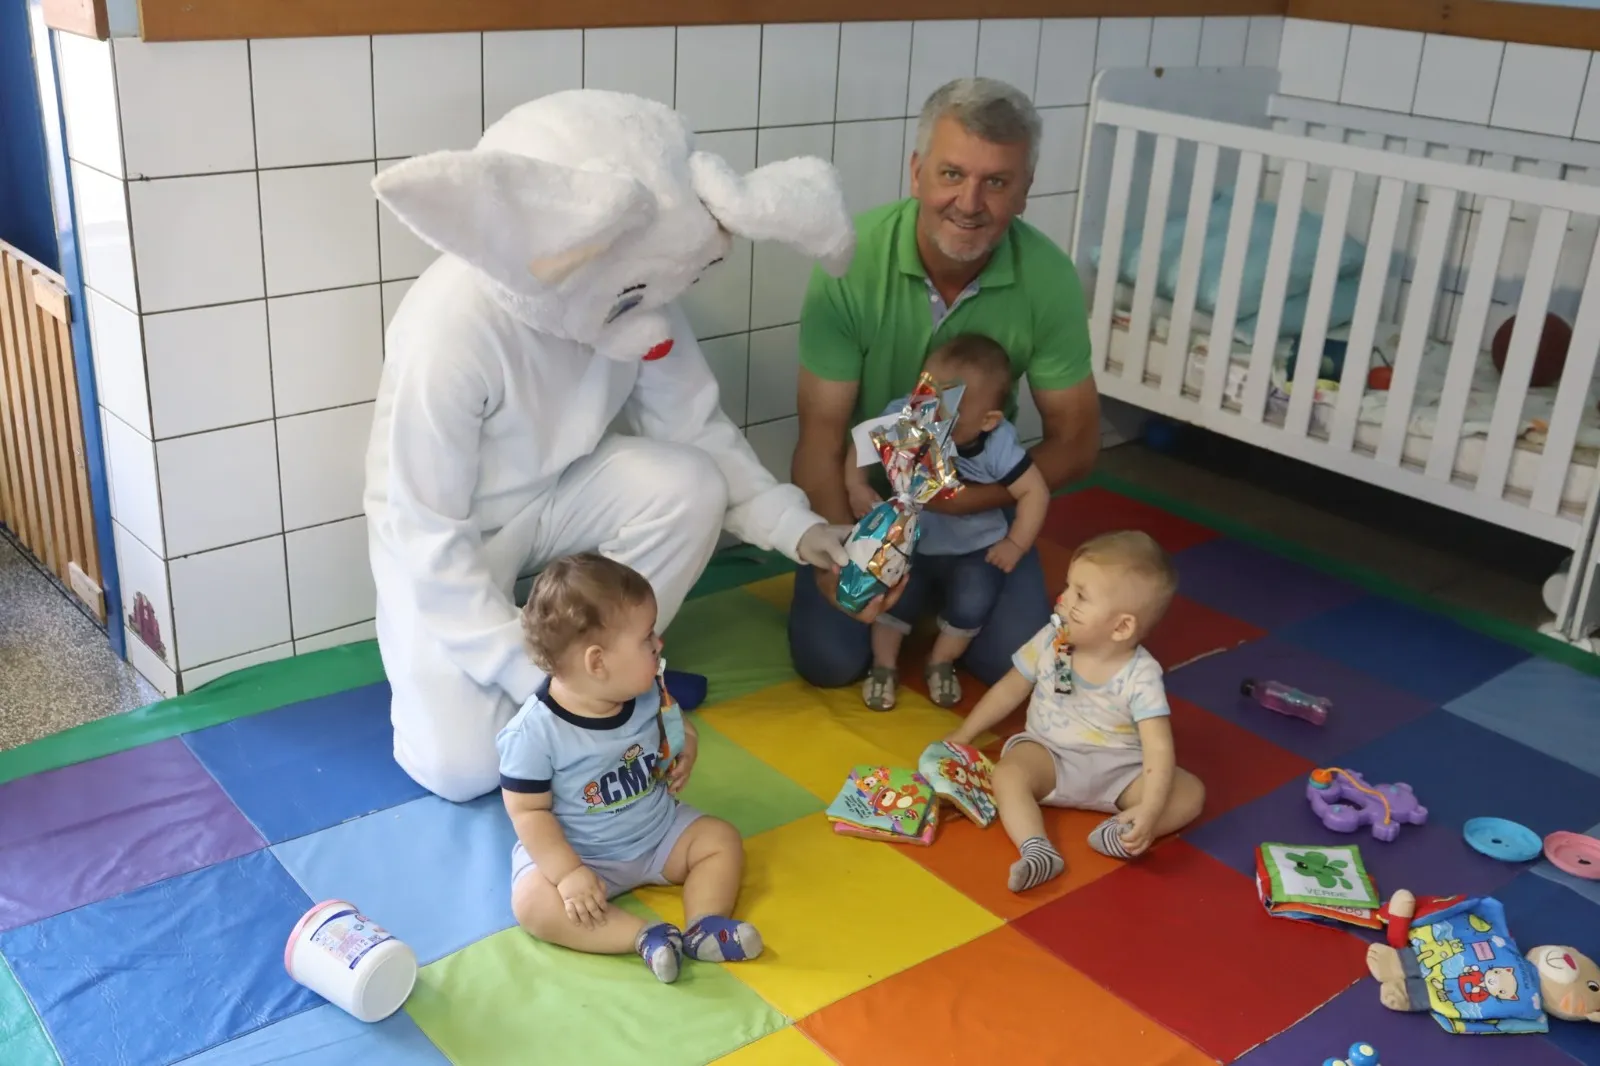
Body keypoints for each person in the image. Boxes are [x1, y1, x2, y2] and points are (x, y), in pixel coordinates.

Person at [365, 89, 858, 803]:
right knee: (465, 772)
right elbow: (427, 534)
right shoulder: (450, 332)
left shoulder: (637, 293)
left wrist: (804, 530)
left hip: (557, 501)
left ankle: (608, 667)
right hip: (456, 538)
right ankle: (579, 674)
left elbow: (695, 428)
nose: (655, 314)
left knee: (690, 483)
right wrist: (544, 687)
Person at [789, 76, 1102, 690]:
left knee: (1007, 663)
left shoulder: (1049, 277)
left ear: (1025, 192)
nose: (969, 202)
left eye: (996, 182)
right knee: (828, 662)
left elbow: (1078, 442)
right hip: (870, 513)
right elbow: (821, 439)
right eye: (952, 175)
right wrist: (835, 554)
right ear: (916, 173)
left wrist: (970, 501)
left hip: (978, 521)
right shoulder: (850, 262)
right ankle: (916, 595)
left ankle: (941, 594)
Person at [497, 553, 762, 983]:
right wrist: (567, 874)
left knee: (720, 839)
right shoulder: (534, 733)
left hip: (657, 834)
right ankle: (644, 936)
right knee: (531, 904)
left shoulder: (645, 690)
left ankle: (704, 926)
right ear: (597, 663)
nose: (659, 644)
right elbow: (528, 812)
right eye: (646, 638)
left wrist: (686, 746)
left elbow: (676, 722)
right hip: (582, 855)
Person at [945, 531, 1205, 893]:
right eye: (1069, 586)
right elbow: (1010, 687)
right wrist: (964, 735)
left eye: (1081, 595)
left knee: (1190, 793)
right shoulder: (1051, 640)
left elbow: (1159, 749)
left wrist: (1150, 810)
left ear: (1122, 626)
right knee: (1007, 774)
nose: (1063, 598)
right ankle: (1036, 850)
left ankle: (1125, 831)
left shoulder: (1141, 674)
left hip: (1121, 773)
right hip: (1049, 756)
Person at [849, 333, 1049, 711]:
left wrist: (1016, 544)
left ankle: (941, 661)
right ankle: (884, 665)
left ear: (989, 420)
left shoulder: (997, 443)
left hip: (975, 547)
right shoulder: (909, 415)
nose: (932, 424)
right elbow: (861, 446)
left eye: (949, 420)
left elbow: (1034, 492)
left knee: (973, 601)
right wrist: (856, 485)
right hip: (914, 540)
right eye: (926, 401)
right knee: (893, 596)